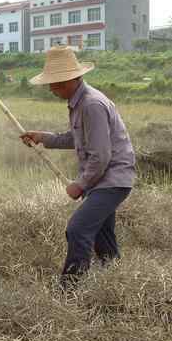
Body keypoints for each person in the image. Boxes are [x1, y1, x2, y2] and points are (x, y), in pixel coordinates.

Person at [20, 46, 136, 289]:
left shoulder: (91, 105)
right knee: (103, 235)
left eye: (56, 83)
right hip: (105, 179)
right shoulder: (80, 102)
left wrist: (80, 185)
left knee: (78, 229)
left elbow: (101, 156)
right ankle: (114, 281)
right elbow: (77, 139)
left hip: (112, 179)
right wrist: (43, 137)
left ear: (73, 79)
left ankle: (71, 289)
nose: (52, 89)